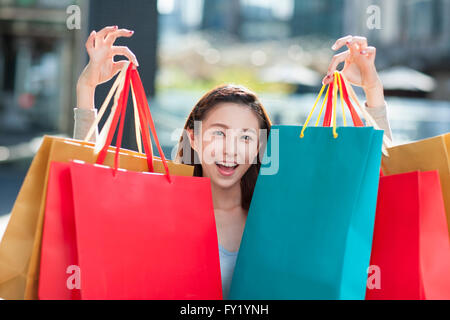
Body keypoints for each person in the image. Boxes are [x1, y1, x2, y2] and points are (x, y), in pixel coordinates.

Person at [73, 26, 393, 299]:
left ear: (261, 148)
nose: (231, 151)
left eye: (245, 138)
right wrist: (87, 91)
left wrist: (373, 91)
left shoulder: (278, 213)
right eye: (219, 134)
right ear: (193, 139)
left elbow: (374, 185)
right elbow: (87, 188)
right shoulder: (160, 207)